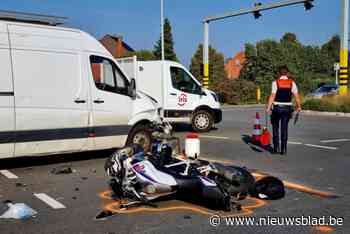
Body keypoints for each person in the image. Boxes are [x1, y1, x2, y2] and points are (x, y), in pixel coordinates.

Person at [266, 66, 302, 155]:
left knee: (275, 127)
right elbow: (296, 96)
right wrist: (299, 106)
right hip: (287, 108)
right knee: (284, 128)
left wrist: (268, 107)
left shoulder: (275, 82)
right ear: (287, 73)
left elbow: (273, 95)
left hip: (277, 108)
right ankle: (284, 149)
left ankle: (275, 148)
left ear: (279, 73)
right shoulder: (292, 83)